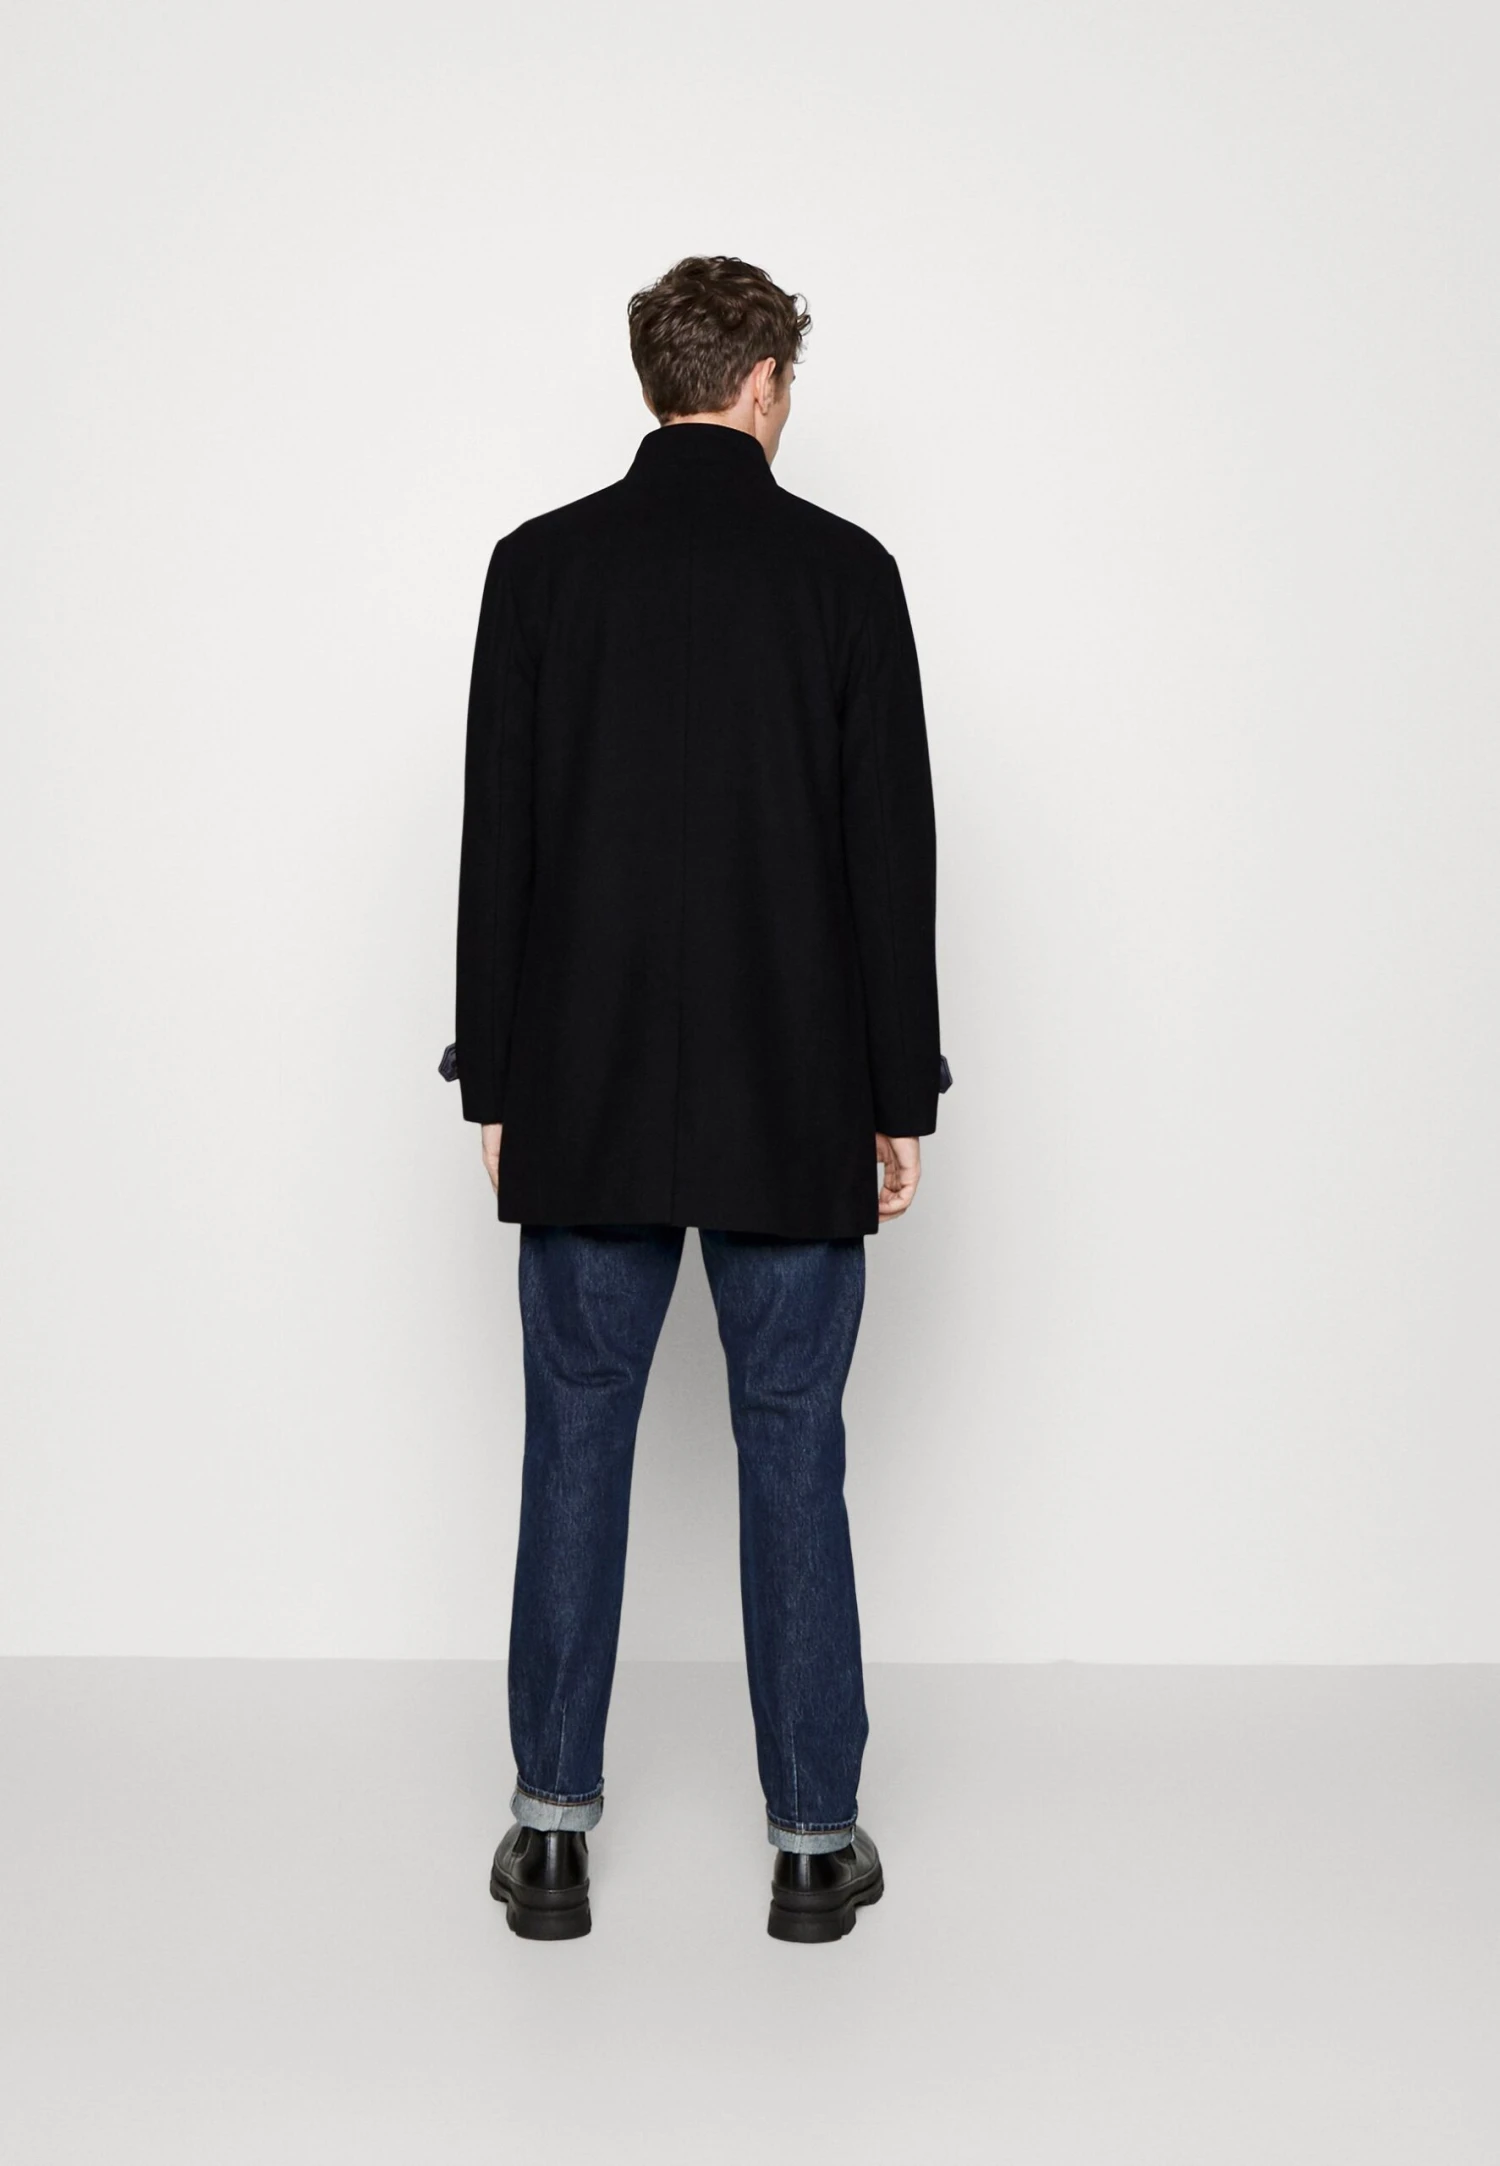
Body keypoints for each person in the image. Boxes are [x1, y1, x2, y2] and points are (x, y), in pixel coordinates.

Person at [442, 254, 949, 1944]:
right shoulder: (845, 574)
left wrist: (497, 1078)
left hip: (582, 1092)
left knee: (574, 1438)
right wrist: (898, 1091)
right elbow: (890, 859)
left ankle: (550, 1836)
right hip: (794, 1093)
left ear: (658, 378)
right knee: (793, 1445)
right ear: (763, 383)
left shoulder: (539, 568)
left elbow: (497, 840)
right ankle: (812, 1844)